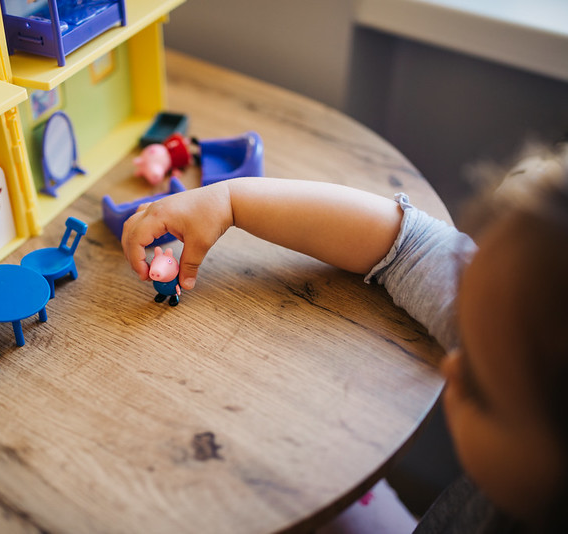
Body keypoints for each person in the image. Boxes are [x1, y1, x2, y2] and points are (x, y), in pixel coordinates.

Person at [120, 143, 568, 533]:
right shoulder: (526, 311)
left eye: (481, 389)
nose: (453, 364)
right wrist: (230, 202)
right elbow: (407, 245)